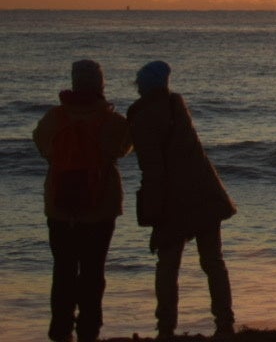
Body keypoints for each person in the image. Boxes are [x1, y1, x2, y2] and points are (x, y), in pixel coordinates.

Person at [127, 61, 237, 339]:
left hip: (173, 200)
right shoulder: (178, 107)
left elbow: (152, 169)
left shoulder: (143, 116)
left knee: (167, 264)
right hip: (205, 193)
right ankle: (225, 324)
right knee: (213, 261)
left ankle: (166, 328)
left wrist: (151, 208)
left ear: (144, 85)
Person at [32, 59, 133, 342]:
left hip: (59, 208)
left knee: (63, 270)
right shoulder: (111, 120)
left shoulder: (54, 117)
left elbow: (42, 146)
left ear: (74, 83)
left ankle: (60, 331)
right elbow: (123, 148)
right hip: (100, 209)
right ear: (100, 84)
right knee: (93, 271)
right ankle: (89, 331)